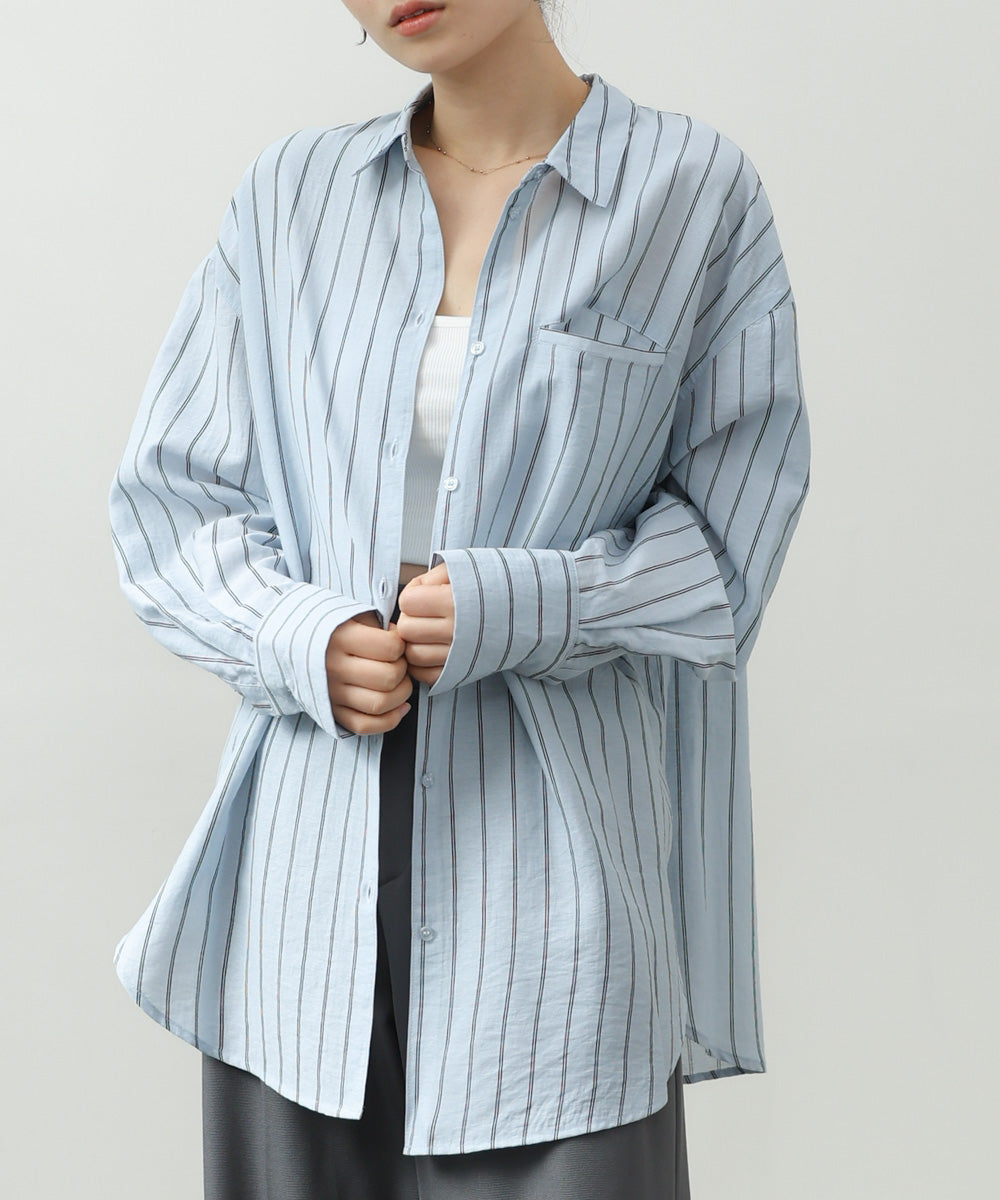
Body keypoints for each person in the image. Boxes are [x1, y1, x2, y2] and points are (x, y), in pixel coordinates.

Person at [107, 1, 810, 1196]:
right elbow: (171, 500)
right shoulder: (290, 197)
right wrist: (301, 635)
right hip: (301, 899)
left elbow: (727, 547)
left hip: (554, 906)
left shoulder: (691, 193)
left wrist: (524, 604)